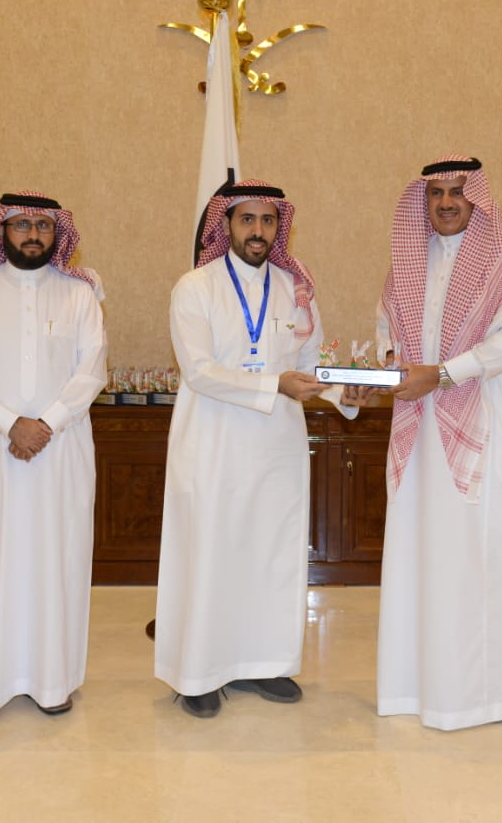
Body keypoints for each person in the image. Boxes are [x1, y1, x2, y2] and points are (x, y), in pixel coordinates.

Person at [155, 179, 351, 719]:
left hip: (275, 450)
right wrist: (273, 385)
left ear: (278, 227)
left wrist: (346, 392)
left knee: (270, 554)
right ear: (227, 225)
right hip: (212, 446)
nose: (258, 231)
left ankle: (265, 663)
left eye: (268, 221)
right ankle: (198, 674)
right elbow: (199, 371)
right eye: (247, 220)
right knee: (210, 555)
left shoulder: (295, 289)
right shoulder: (194, 287)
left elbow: (311, 365)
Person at [373, 155, 502, 731]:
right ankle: (414, 685)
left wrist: (440, 375)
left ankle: (481, 695)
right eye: (436, 192)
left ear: (478, 198)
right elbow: (387, 326)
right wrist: (390, 364)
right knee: (421, 553)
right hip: (419, 428)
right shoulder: (409, 259)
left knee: (475, 559)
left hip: (483, 430)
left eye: (457, 191)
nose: (446, 202)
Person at [0, 192, 107, 723]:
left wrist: (45, 423)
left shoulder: (79, 296)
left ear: (57, 233)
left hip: (60, 448)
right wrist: (10, 423)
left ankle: (52, 679)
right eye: (21, 224)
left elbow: (92, 370)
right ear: (1, 231)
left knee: (57, 560)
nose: (33, 234)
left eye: (43, 225)